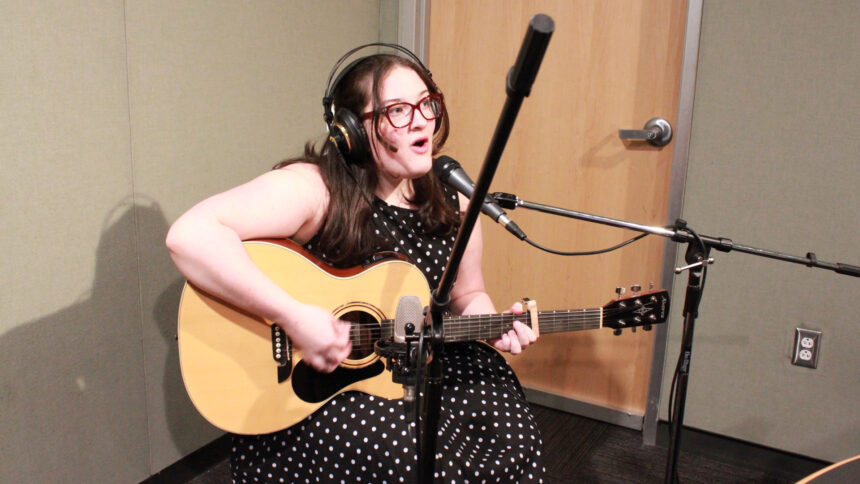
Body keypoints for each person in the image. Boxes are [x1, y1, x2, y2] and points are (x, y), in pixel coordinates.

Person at [166, 44, 545, 483]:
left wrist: (493, 326)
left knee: (511, 433)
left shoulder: (455, 198)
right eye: (399, 110)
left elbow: (467, 294)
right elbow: (190, 235)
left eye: (427, 104)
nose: (422, 119)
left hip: (426, 364)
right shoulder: (317, 188)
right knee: (422, 461)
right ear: (352, 129)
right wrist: (290, 315)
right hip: (325, 387)